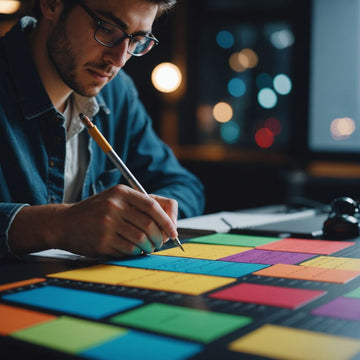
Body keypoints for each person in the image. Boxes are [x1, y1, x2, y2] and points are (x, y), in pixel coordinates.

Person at [0, 0, 205, 259]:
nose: (118, 60)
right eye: (107, 29)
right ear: (52, 4)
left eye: (137, 40)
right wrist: (56, 225)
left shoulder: (118, 93)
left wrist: (147, 215)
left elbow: (183, 185)